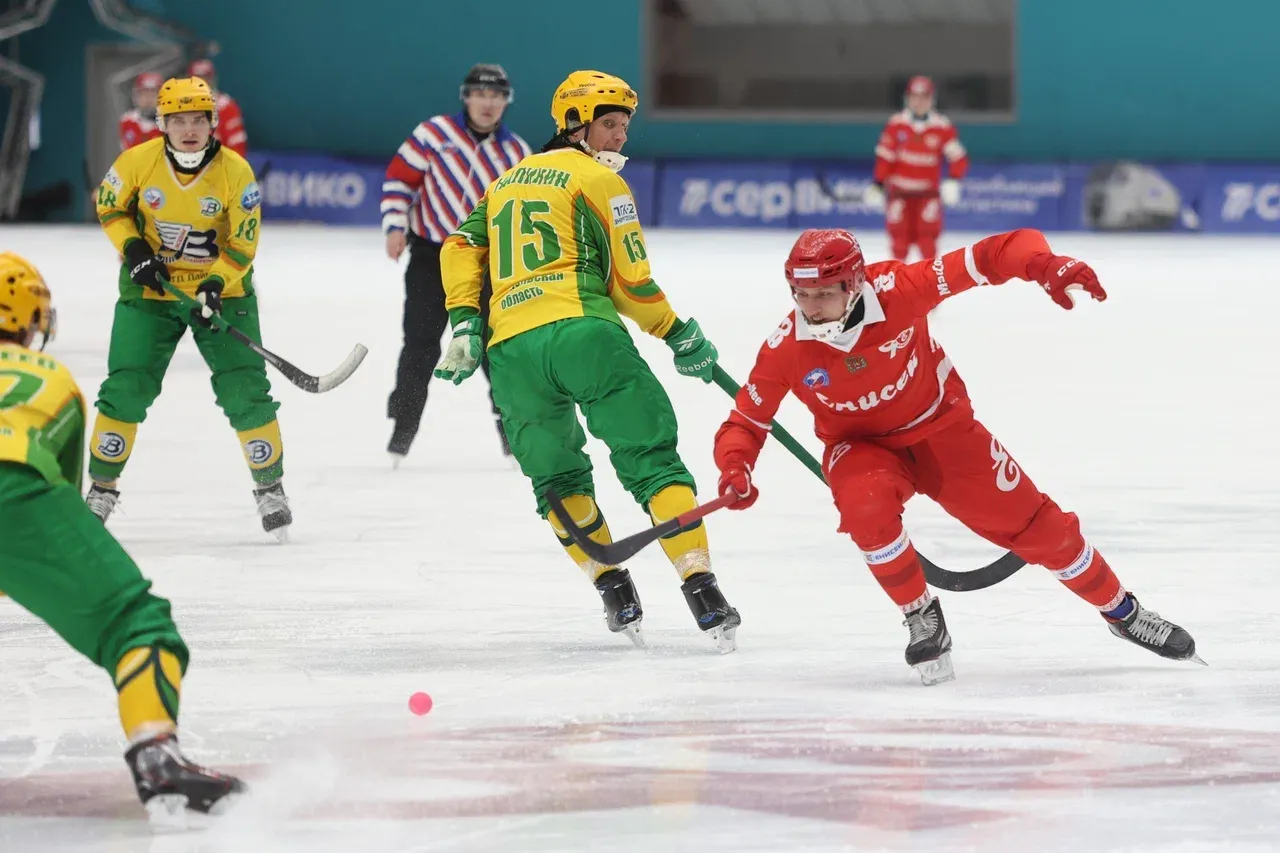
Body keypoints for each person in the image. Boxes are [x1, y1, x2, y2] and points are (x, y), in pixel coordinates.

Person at [713, 227, 1200, 683]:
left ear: (856, 282)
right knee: (864, 509)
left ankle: (1123, 612)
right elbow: (746, 422)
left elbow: (993, 254)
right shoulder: (785, 349)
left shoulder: (901, 289)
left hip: (943, 431)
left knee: (1044, 531)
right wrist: (735, 466)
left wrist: (1044, 265)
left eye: (824, 294)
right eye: (802, 295)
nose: (812, 308)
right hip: (862, 449)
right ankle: (920, 615)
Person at [435, 70, 741, 652]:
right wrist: (677, 333)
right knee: (652, 461)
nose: (620, 137)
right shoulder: (600, 182)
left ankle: (612, 587)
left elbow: (458, 245)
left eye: (624, 126)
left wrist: (467, 323)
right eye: (609, 124)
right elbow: (631, 282)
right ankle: (702, 590)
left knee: (556, 478)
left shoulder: (505, 182)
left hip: (512, 351)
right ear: (575, 125)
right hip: (585, 335)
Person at [0, 252, 244, 823]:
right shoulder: (48, 378)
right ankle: (158, 757)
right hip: (13, 481)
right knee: (137, 626)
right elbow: (59, 504)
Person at [90, 76, 291, 539]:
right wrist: (134, 249)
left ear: (211, 122)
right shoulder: (137, 161)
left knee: (244, 389)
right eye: (177, 119)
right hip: (150, 293)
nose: (188, 128)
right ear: (161, 122)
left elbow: (243, 243)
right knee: (127, 385)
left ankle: (270, 487)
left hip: (222, 293)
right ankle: (102, 486)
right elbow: (110, 206)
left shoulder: (235, 172)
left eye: (198, 118)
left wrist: (216, 284)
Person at [381, 63, 532, 465]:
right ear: (466, 97)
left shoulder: (517, 152)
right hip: (431, 256)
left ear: (506, 102)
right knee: (421, 344)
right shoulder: (433, 135)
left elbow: (524, 210)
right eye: (481, 94)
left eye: (497, 96)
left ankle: (513, 434)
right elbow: (399, 182)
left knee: (495, 350)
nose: (488, 103)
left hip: (486, 265)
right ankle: (403, 426)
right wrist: (395, 226)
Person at [865, 76, 969, 261]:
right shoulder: (896, 124)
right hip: (899, 194)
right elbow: (885, 159)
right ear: (908, 98)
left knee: (928, 243)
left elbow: (958, 158)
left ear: (931, 99)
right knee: (899, 244)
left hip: (927, 196)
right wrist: (878, 183)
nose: (919, 102)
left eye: (924, 97)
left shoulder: (941, 126)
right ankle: (896, 287)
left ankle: (930, 286)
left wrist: (953, 179)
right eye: (915, 96)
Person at [187, 58, 248, 156]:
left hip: (218, 164)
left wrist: (232, 168)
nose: (203, 82)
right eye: (198, 79)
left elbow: (237, 142)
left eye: (206, 77)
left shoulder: (226, 105)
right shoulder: (180, 106)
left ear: (213, 78)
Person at [119, 72, 163, 150]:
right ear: (136, 96)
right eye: (144, 94)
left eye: (153, 95)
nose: (148, 99)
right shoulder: (129, 120)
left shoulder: (167, 122)